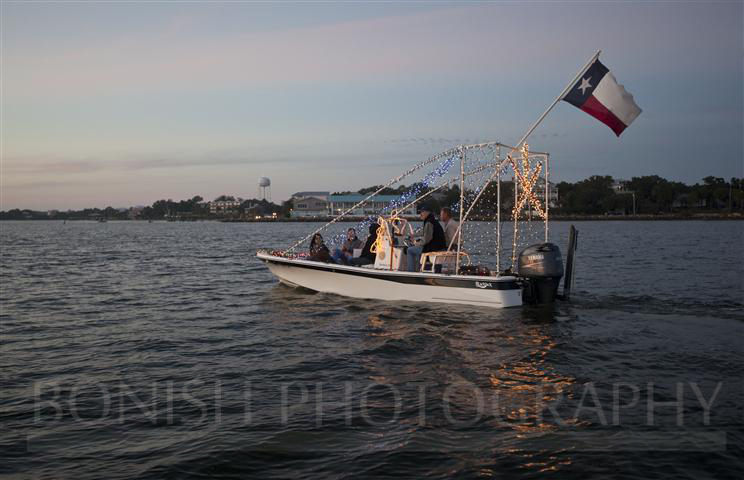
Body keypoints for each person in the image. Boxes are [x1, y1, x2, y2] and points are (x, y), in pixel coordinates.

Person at [406, 205, 446, 271]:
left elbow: (427, 239)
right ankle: (418, 269)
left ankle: (411, 271)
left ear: (427, 212)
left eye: (422, 212)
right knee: (417, 250)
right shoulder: (432, 221)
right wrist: (413, 235)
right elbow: (424, 232)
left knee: (410, 250)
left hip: (433, 248)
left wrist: (416, 243)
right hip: (437, 246)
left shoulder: (429, 222)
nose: (420, 214)